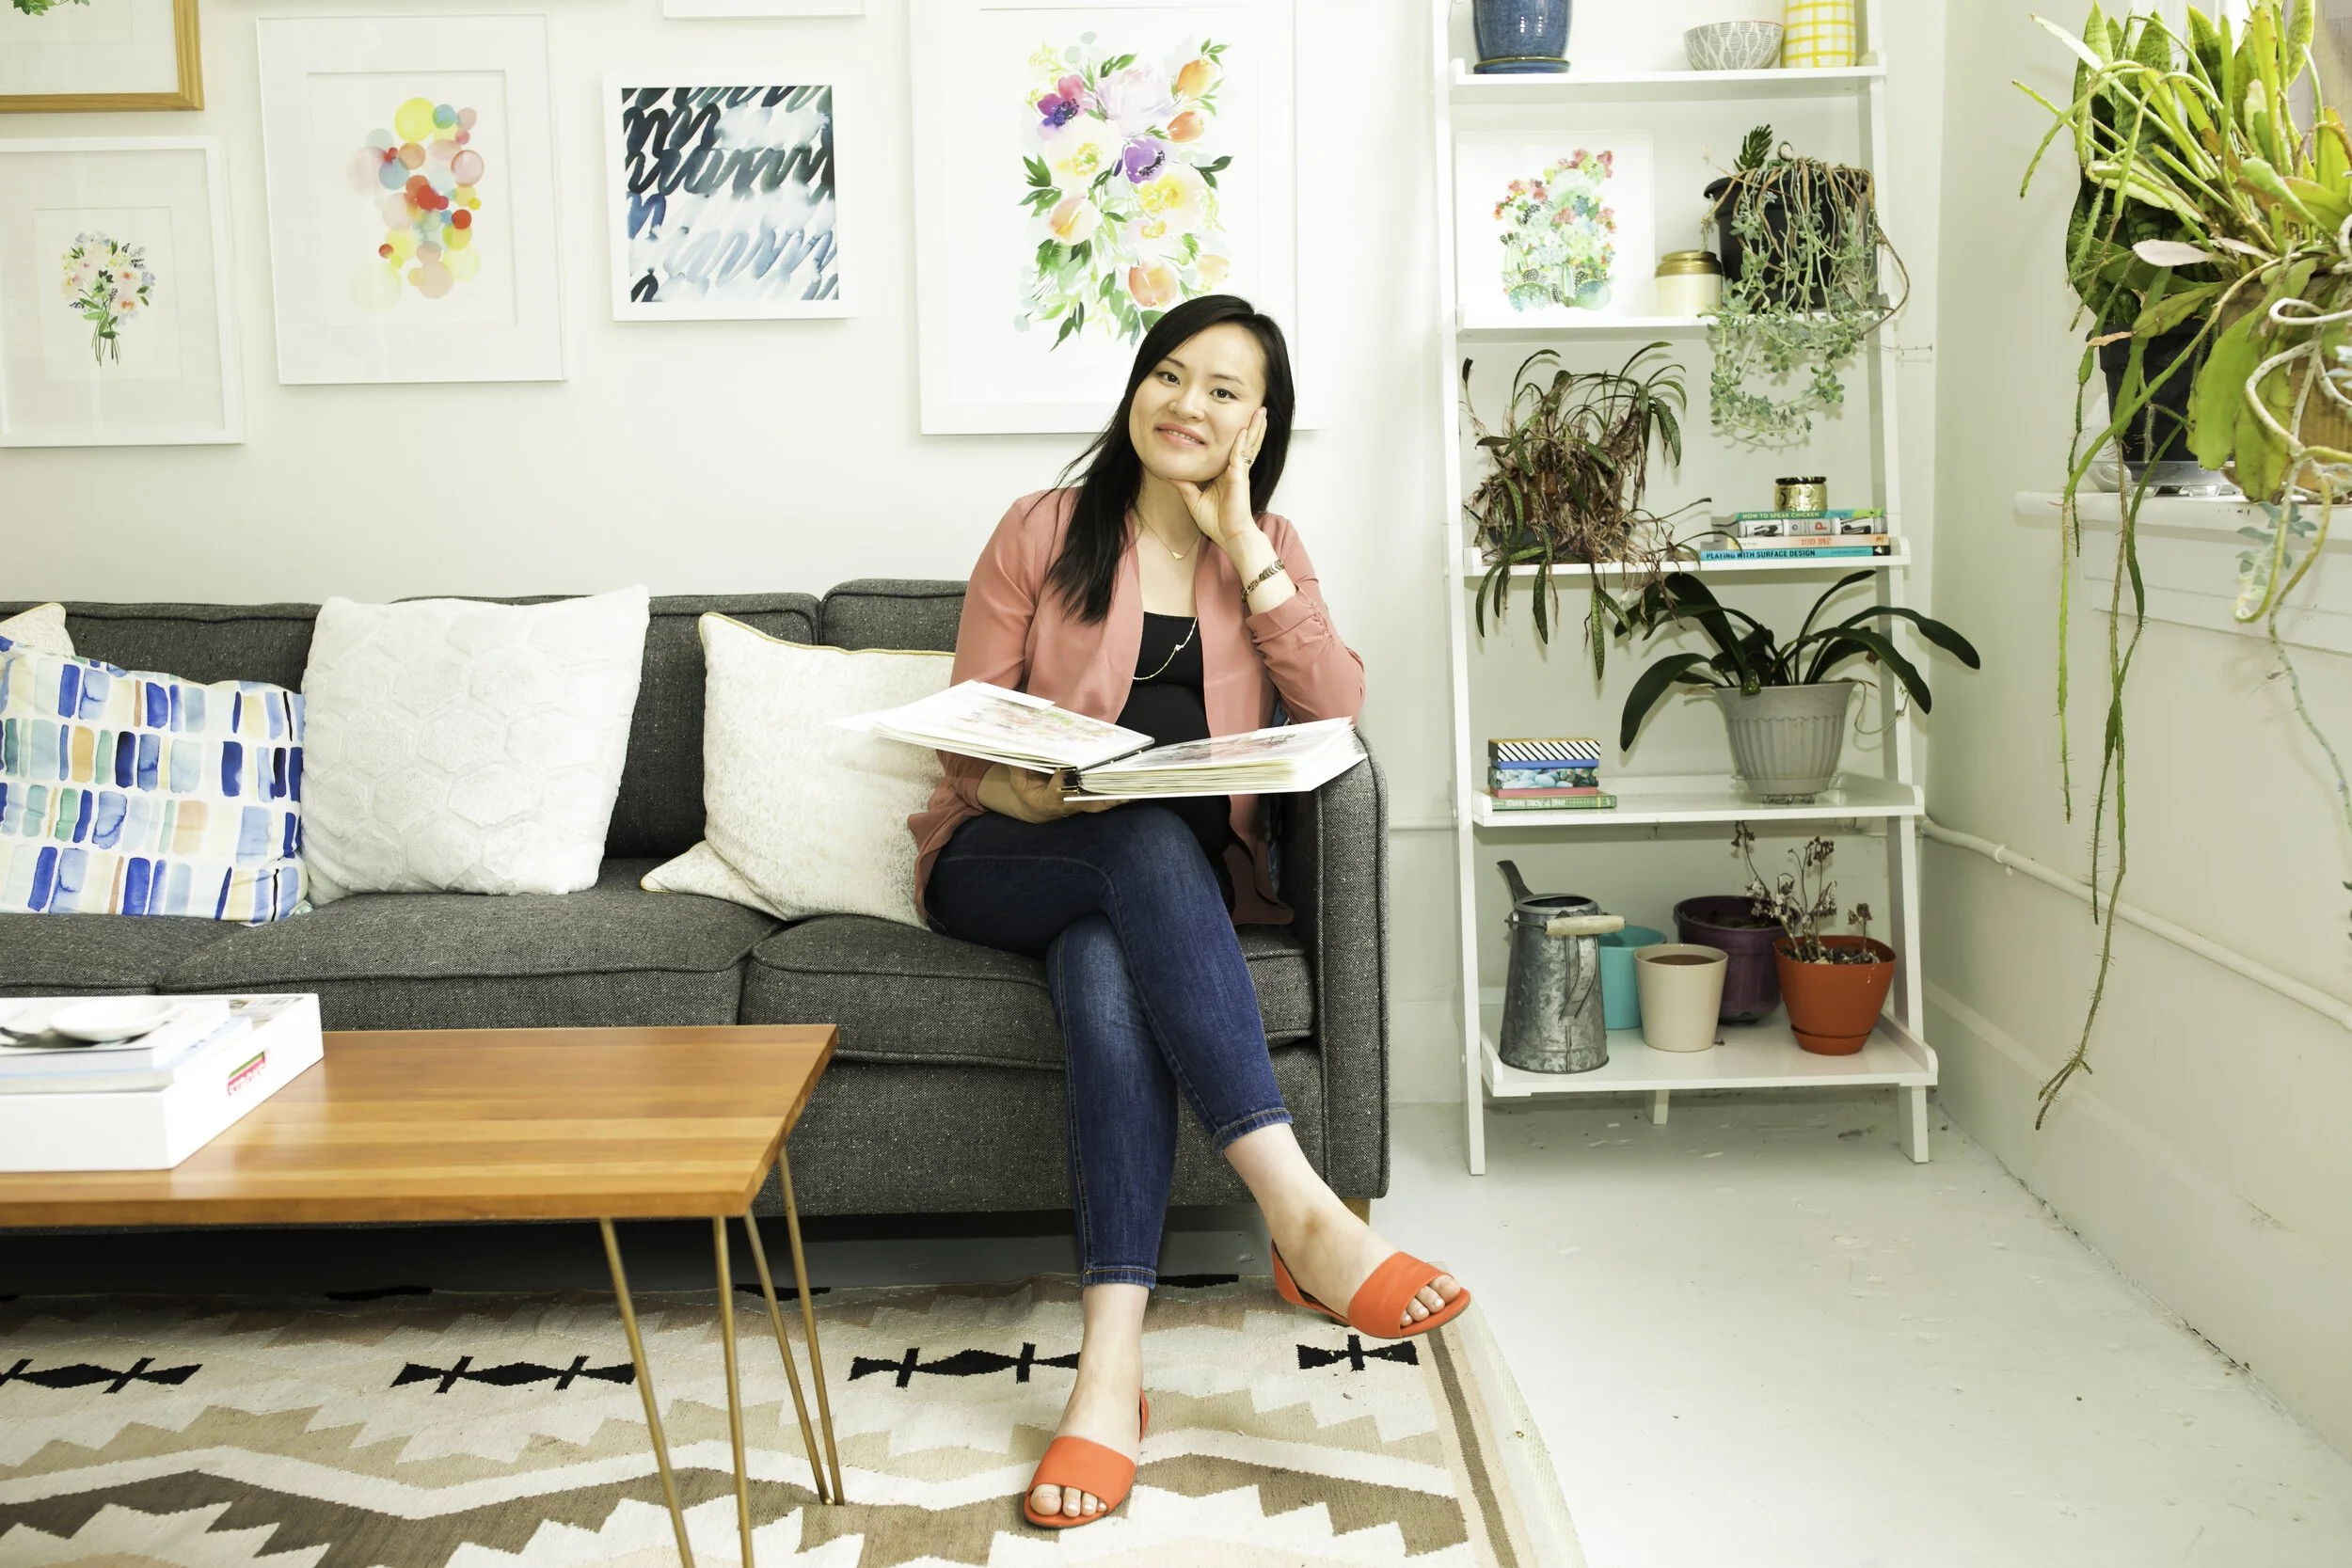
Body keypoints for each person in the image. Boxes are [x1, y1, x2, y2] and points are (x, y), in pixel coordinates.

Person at [911, 293, 1470, 1530]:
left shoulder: (1267, 541)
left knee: (1113, 956)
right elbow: (962, 738)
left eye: (1224, 390)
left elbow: (1336, 706)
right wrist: (1024, 786)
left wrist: (1245, 542)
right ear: (1133, 391)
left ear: (1258, 423)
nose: (1187, 404)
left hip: (1155, 890)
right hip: (1006, 854)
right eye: (1169, 375)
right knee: (1139, 842)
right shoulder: (1042, 528)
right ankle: (1302, 1212)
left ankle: (1109, 1369)